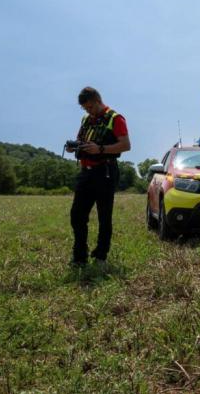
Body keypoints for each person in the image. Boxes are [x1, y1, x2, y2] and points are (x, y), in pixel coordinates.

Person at [67, 86, 131, 267]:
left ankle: (101, 256)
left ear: (97, 100)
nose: (88, 111)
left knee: (104, 216)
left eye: (90, 107)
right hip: (85, 172)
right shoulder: (86, 119)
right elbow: (81, 139)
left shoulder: (116, 118)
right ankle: (79, 257)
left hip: (106, 172)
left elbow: (126, 145)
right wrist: (75, 147)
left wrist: (100, 149)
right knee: (77, 215)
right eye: (85, 109)